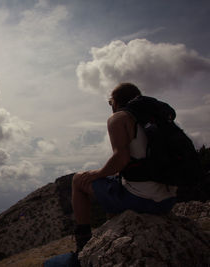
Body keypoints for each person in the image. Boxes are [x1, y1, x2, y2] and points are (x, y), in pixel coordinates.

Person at [71, 82, 177, 254]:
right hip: (168, 200)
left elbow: (121, 157)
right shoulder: (155, 117)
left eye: (110, 103)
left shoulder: (119, 118)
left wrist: (97, 173)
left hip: (142, 201)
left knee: (77, 180)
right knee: (117, 181)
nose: (111, 107)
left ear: (116, 102)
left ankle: (83, 242)